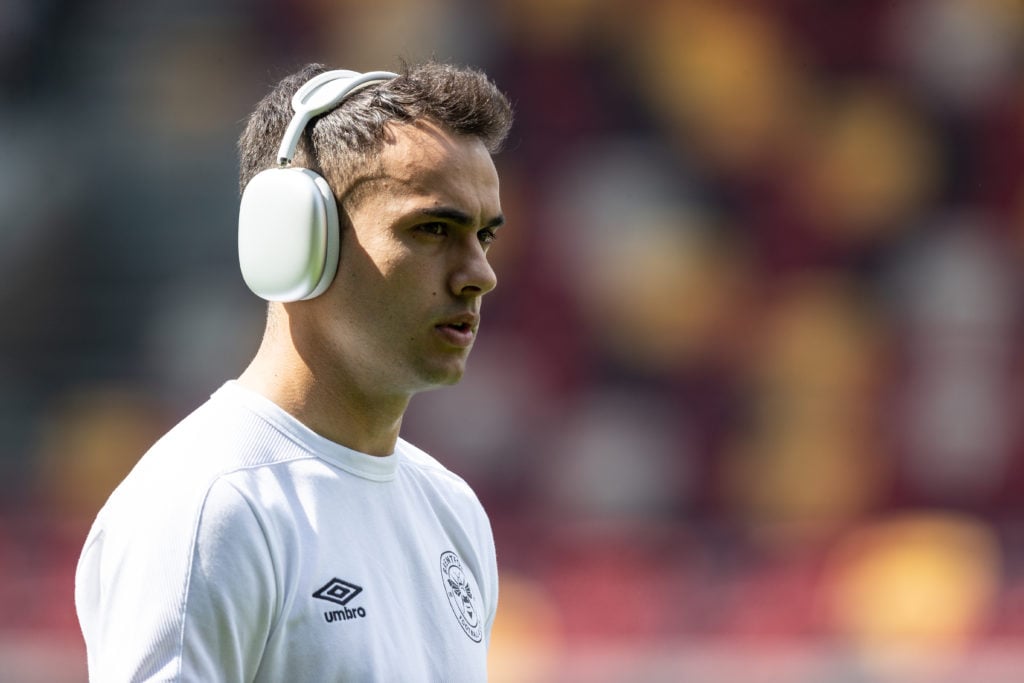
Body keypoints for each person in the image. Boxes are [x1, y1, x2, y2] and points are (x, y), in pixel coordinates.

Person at [74, 60, 513, 682]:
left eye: (485, 237)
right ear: (297, 239)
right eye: (433, 228)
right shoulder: (212, 506)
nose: (479, 274)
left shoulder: (453, 511)